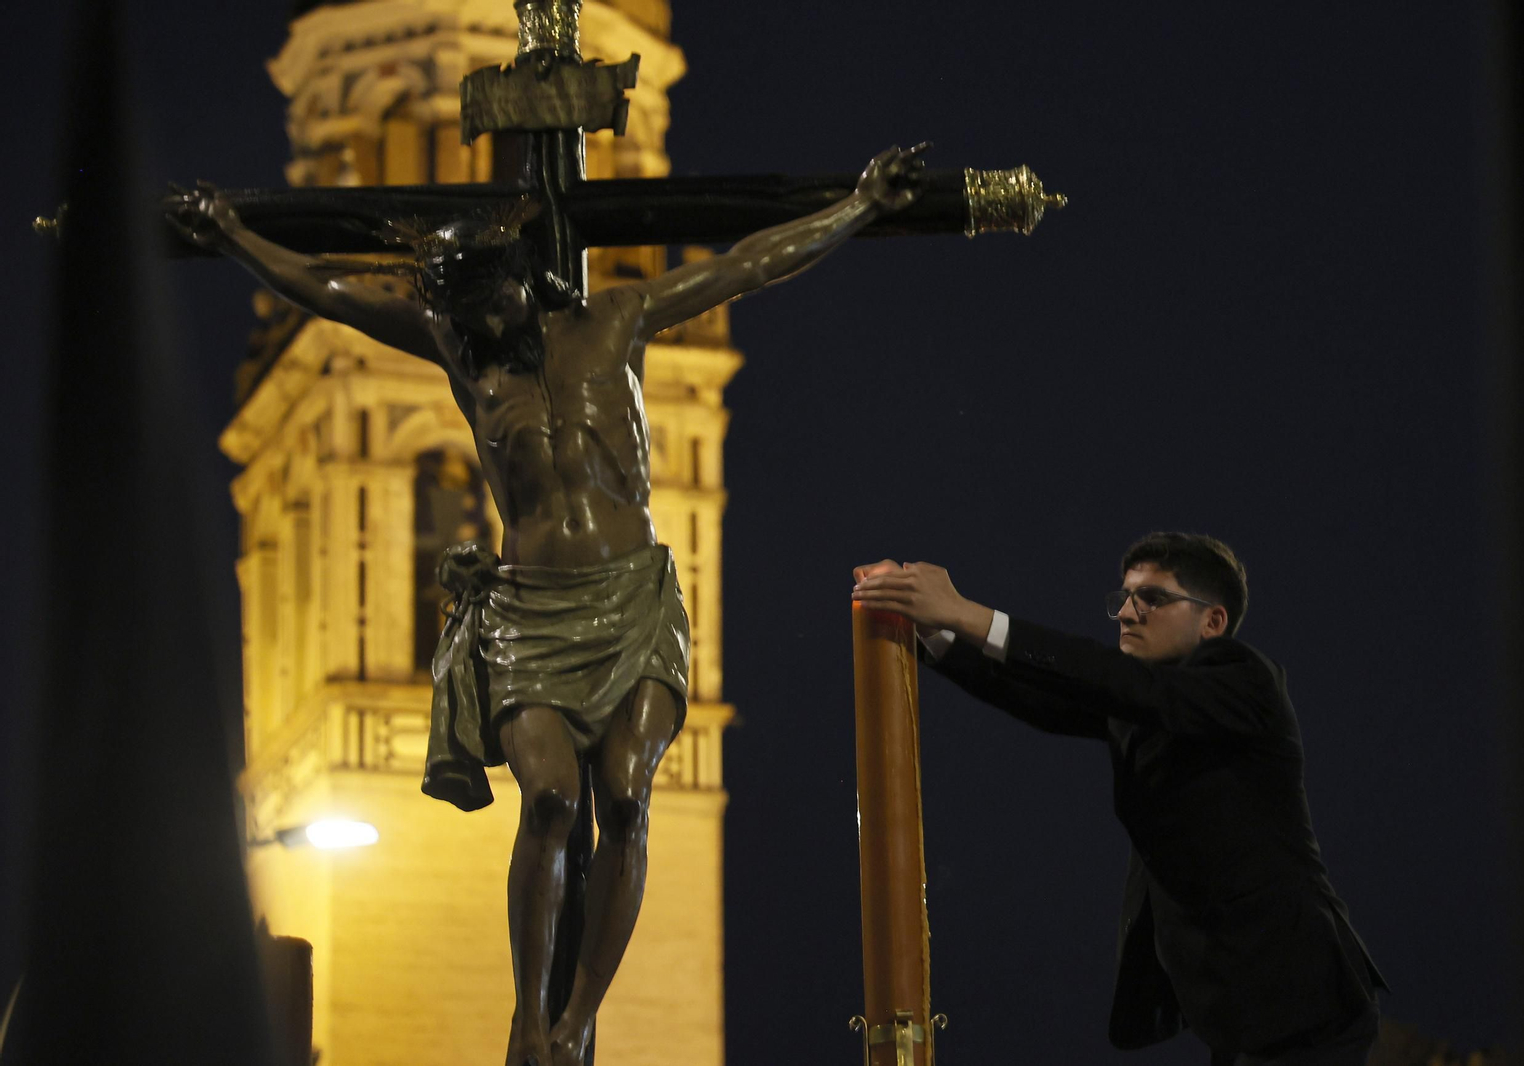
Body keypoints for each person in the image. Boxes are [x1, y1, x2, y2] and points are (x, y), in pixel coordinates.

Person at [168, 143, 926, 1066]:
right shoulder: (461, 352)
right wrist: (237, 235)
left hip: (631, 597)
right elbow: (336, 298)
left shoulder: (617, 317)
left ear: (521, 281)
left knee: (627, 799)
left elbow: (746, 264)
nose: (476, 326)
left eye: (484, 306)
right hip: (529, 613)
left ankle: (574, 1023)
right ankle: (530, 1017)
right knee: (552, 801)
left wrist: (855, 207)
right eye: (458, 313)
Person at [851, 532, 1386, 1065]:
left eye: (1152, 598)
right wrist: (933, 632)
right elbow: (1043, 695)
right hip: (1238, 1014)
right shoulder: (1146, 703)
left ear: (1213, 623)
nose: (1128, 613)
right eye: (1124, 598)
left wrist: (965, 612)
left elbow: (1112, 679)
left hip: (1307, 1003)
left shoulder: (1246, 682)